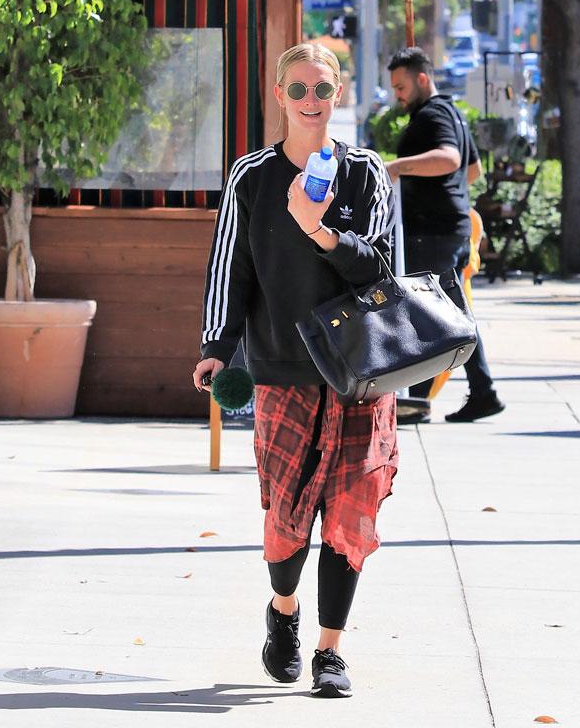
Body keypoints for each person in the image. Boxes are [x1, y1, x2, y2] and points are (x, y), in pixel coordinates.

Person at [192, 43, 397, 699]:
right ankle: (283, 611)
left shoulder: (366, 174)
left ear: (338, 95)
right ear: (278, 95)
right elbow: (232, 270)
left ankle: (330, 650)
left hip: (361, 374)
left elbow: (384, 274)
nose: (312, 102)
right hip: (283, 367)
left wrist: (322, 231)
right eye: (300, 89)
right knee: (287, 512)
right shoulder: (252, 177)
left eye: (324, 89)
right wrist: (217, 345)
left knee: (351, 509)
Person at [386, 47, 504, 424]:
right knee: (448, 315)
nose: (397, 95)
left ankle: (420, 400)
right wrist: (445, 193)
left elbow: (452, 161)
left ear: (422, 79)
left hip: (433, 231)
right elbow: (474, 170)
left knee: (431, 314)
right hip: (447, 227)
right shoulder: (451, 112)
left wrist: (397, 168)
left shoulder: (434, 114)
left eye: (401, 86)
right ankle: (481, 391)